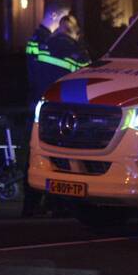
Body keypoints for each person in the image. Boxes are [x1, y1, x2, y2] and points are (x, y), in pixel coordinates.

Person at [24, 14, 92, 218]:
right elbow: (88, 85)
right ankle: (60, 206)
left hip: (39, 111)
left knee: (35, 159)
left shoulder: (42, 46)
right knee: (62, 162)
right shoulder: (80, 54)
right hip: (67, 117)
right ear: (75, 32)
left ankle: (30, 207)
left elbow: (29, 57)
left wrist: (41, 30)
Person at [22, 0, 71, 218]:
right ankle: (50, 203)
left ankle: (35, 204)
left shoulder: (38, 40)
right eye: (63, 19)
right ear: (55, 17)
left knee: (38, 154)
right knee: (47, 154)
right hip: (47, 107)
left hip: (39, 104)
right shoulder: (50, 43)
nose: (64, 25)